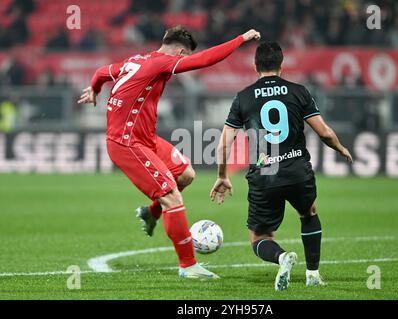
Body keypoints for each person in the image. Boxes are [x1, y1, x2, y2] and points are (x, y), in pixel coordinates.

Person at [77, 26, 261, 279]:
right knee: (172, 198)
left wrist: (95, 89)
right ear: (180, 51)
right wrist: (241, 38)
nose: (182, 62)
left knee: (185, 175)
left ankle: (150, 213)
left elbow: (100, 72)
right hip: (127, 143)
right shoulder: (163, 63)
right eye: (184, 57)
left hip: (146, 139)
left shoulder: (137, 60)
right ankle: (188, 266)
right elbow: (206, 59)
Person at [210, 42, 352, 291]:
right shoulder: (298, 91)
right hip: (297, 168)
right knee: (309, 213)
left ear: (255, 66)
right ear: (282, 65)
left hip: (265, 173)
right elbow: (324, 133)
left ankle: (281, 257)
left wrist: (222, 175)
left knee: (259, 237)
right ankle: (313, 274)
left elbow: (224, 144)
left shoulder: (243, 97)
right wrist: (339, 148)